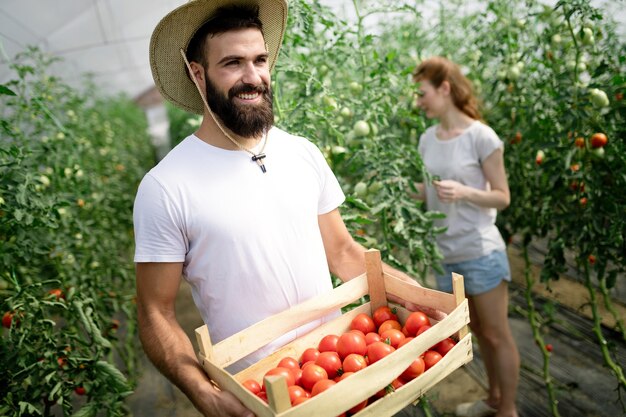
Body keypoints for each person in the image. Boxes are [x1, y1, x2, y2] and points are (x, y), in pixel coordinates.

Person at [134, 1, 428, 416]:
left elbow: (343, 252)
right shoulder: (166, 186)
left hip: (342, 365)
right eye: (232, 63)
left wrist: (412, 294)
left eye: (259, 60)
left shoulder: (301, 153)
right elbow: (155, 310)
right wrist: (200, 390)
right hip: (258, 393)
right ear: (197, 74)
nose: (252, 77)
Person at [411, 56, 520, 417]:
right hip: (446, 252)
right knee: (474, 334)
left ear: (445, 88)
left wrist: (465, 192)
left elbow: (502, 196)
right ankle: (493, 398)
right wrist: (399, 191)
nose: (418, 101)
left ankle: (508, 409)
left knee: (495, 334)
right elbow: (428, 192)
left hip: (479, 249)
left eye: (422, 93)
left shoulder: (481, 136)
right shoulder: (427, 139)